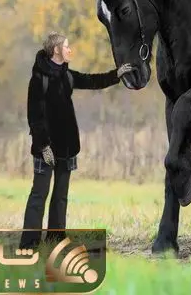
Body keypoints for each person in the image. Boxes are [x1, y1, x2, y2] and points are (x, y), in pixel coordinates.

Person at [19, 31, 132, 249]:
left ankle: (55, 239)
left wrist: (116, 74)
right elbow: (34, 117)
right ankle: (29, 244)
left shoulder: (67, 75)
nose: (70, 50)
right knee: (39, 195)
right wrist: (44, 146)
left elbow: (92, 81)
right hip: (45, 149)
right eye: (66, 46)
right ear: (56, 51)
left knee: (61, 196)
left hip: (67, 148)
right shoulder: (38, 79)